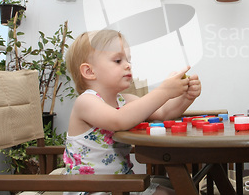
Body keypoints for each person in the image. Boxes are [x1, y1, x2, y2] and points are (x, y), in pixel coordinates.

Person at [63, 30, 201, 195]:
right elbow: (119, 120)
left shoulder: (124, 100)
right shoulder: (86, 102)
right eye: (118, 60)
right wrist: (163, 91)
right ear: (89, 72)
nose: (128, 65)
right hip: (91, 189)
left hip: (121, 186)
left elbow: (164, 112)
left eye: (128, 60)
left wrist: (186, 96)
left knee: (175, 190)